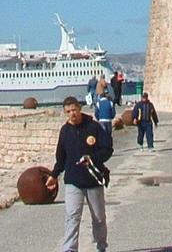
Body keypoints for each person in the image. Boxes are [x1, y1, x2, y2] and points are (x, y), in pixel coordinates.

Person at [46, 96, 112, 252]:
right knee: (72, 216)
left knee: (99, 218)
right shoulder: (65, 131)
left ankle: (101, 246)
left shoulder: (93, 127)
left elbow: (107, 149)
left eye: (74, 110)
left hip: (93, 180)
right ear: (65, 113)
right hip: (73, 181)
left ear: (79, 109)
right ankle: (69, 248)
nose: (72, 114)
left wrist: (92, 158)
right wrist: (54, 175)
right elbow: (60, 158)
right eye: (68, 111)